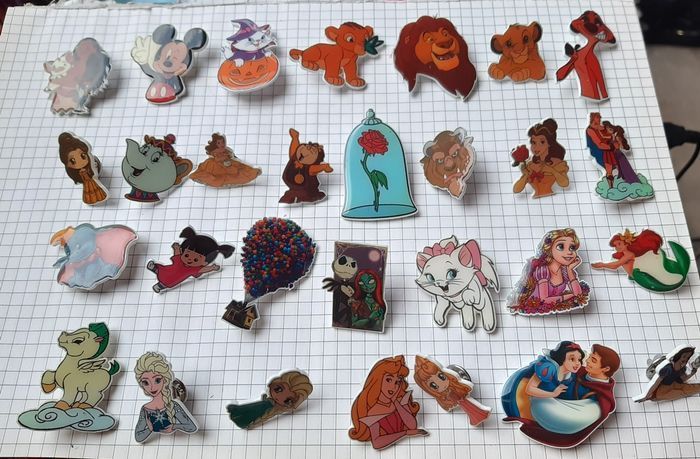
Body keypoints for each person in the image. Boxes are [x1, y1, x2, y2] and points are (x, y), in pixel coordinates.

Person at [349, 356, 428, 449]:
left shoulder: (401, 400)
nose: (393, 386)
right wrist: (405, 433)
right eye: (389, 380)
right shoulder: (373, 411)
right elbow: (376, 443)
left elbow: (412, 426)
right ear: (378, 380)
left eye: (397, 382)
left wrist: (395, 402)